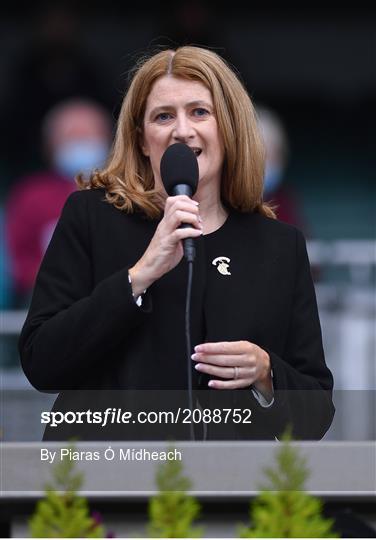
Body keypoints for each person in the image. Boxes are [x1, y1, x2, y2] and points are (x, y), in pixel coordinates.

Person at [18, 46, 334, 441]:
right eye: (163, 116)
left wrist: (267, 373)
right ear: (142, 139)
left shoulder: (279, 246)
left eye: (200, 112)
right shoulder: (91, 217)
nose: (182, 130)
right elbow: (42, 362)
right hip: (109, 482)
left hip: (228, 487)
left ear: (230, 128)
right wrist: (137, 276)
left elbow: (318, 413)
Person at [5, 98, 112, 306]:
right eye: (72, 136)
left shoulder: (129, 189)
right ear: (50, 145)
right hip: (50, 298)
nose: (81, 143)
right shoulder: (31, 195)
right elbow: (20, 264)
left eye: (88, 135)